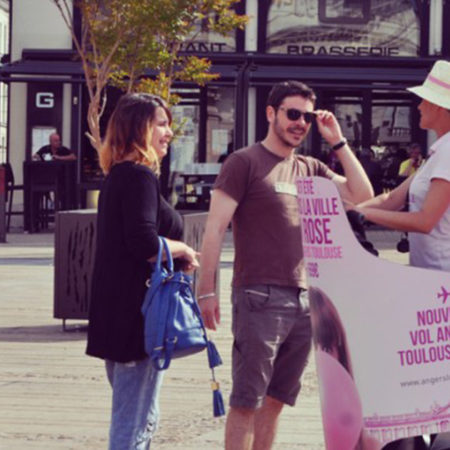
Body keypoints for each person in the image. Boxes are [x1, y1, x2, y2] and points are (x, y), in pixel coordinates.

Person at [197, 80, 373, 450]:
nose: (300, 123)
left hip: (306, 299)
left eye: (307, 117)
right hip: (258, 296)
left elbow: (362, 196)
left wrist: (338, 142)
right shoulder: (244, 162)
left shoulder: (310, 168)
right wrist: (206, 290)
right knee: (247, 401)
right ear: (270, 114)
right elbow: (214, 229)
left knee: (276, 401)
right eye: (293, 114)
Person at [86, 93, 199, 450]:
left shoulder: (120, 176)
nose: (169, 132)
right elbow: (145, 243)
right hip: (138, 318)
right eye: (161, 124)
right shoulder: (138, 177)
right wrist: (184, 249)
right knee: (132, 425)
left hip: (116, 315)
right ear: (139, 129)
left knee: (137, 416)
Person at [353, 60, 450, 449]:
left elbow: (426, 220)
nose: (419, 107)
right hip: (425, 282)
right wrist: (352, 213)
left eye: (425, 101)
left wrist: (363, 215)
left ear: (443, 108)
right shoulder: (437, 152)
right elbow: (394, 199)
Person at [309, 287, 381, 450]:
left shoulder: (367, 440)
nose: (321, 359)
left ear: (341, 353)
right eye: (313, 347)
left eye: (326, 348)